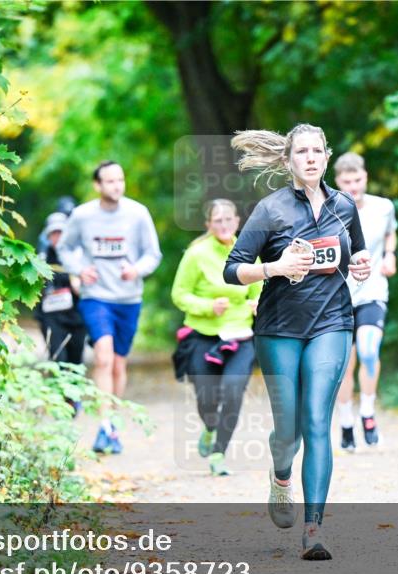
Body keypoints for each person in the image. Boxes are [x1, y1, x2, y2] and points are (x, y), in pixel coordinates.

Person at [224, 124, 371, 560]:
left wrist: (361, 266)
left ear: (327, 156)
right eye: (301, 152)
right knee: (287, 429)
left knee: (316, 422)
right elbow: (232, 270)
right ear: (288, 161)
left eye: (316, 151)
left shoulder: (344, 206)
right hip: (278, 328)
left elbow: (356, 255)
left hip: (332, 323)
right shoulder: (270, 211)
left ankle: (314, 529)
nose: (310, 158)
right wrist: (276, 267)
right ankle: (281, 475)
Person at [58, 161, 162, 455]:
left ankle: (113, 424)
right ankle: (103, 425)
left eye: (120, 180)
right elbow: (65, 248)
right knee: (102, 357)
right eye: (110, 181)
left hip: (128, 298)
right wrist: (79, 269)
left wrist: (137, 269)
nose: (117, 185)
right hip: (96, 296)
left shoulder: (138, 213)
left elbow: (153, 254)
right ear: (98, 185)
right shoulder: (82, 215)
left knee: (118, 364)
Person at [171, 199, 261, 477]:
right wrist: (208, 307)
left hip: (240, 335)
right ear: (208, 225)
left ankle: (219, 452)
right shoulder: (196, 254)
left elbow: (258, 287)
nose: (223, 225)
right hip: (203, 335)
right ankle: (210, 428)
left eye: (228, 220)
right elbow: (179, 294)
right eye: (217, 221)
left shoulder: (247, 251)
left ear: (237, 222)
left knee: (233, 392)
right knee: (206, 398)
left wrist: (258, 302)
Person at [332, 152, 397, 450]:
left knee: (369, 351)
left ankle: (368, 415)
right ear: (336, 182)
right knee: (346, 364)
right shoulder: (329, 210)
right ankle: (346, 424)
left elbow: (390, 233)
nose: (353, 187)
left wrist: (389, 255)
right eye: (347, 182)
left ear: (365, 177)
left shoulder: (384, 207)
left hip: (372, 291)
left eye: (357, 180)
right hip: (338, 295)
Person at [35, 212, 87, 367]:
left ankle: (74, 390)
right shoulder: (40, 259)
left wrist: (79, 283)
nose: (57, 237)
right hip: (51, 317)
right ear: (48, 236)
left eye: (61, 232)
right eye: (53, 233)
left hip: (77, 317)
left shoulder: (79, 257)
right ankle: (59, 390)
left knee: (76, 361)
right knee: (58, 358)